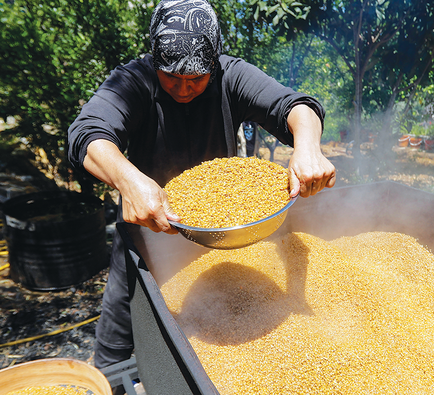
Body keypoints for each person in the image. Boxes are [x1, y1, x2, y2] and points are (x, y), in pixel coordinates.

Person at [67, 0, 336, 369]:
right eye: (171, 77)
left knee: (212, 348)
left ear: (214, 64)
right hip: (147, 234)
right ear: (154, 61)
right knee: (116, 344)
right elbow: (86, 133)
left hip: (215, 240)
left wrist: (307, 146)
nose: (183, 88)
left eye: (196, 78)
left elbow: (296, 106)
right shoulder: (135, 80)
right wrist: (129, 181)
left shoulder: (231, 75)